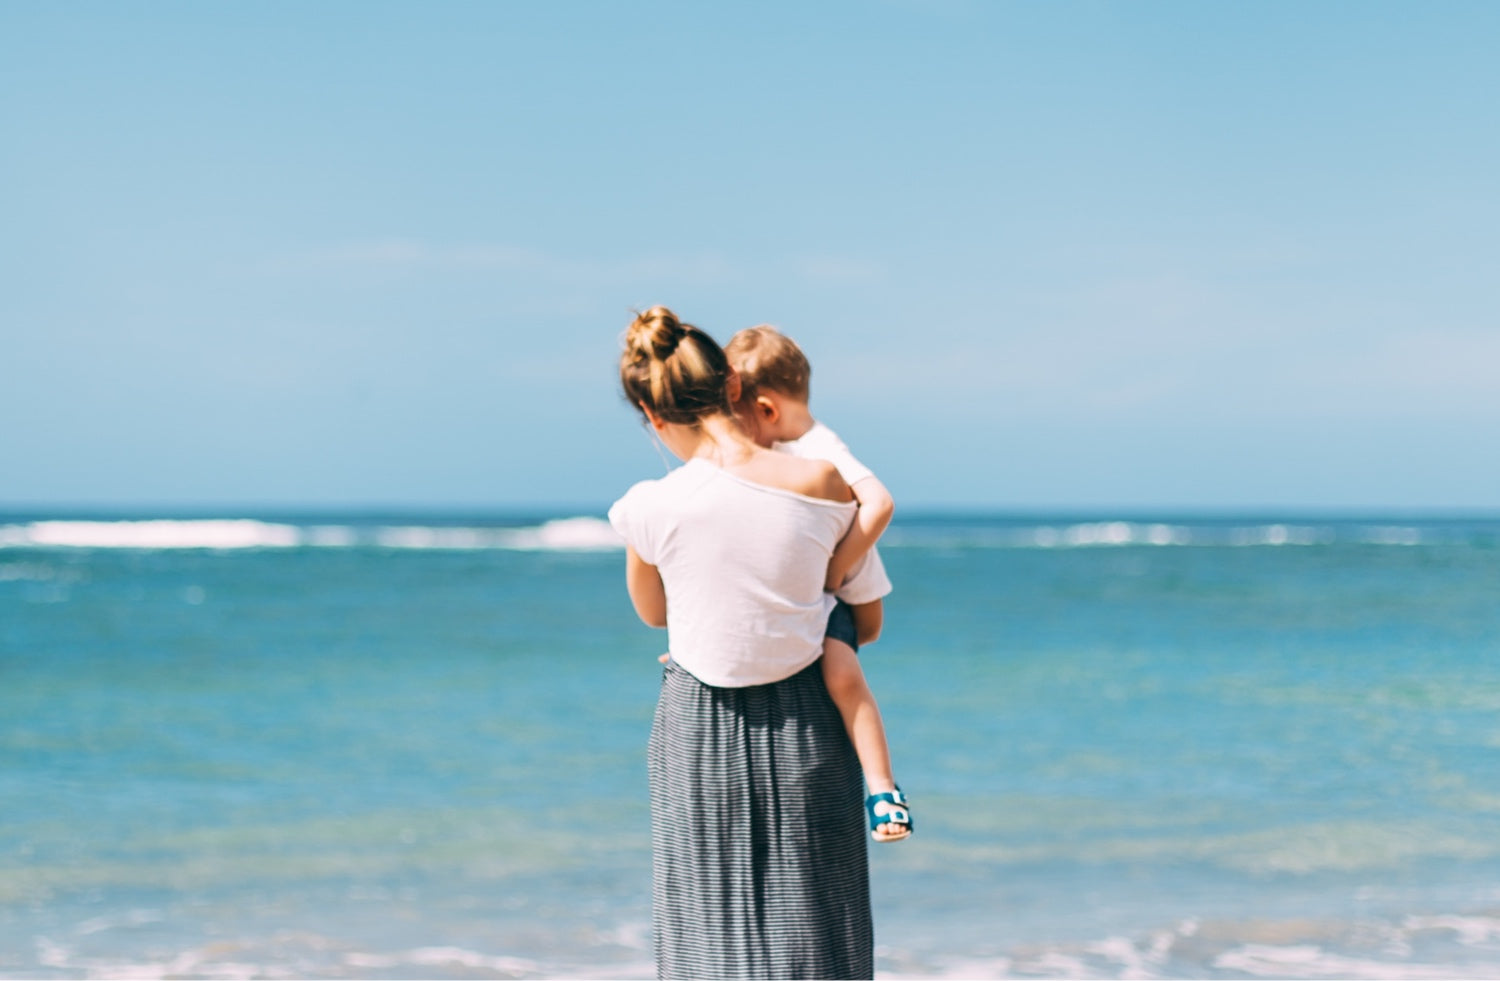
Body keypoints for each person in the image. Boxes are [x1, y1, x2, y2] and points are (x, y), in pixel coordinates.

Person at [609, 306, 885, 979]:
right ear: (733, 384)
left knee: (708, 927)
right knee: (819, 924)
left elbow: (654, 613)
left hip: (697, 727)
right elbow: (868, 621)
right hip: (808, 716)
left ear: (652, 414)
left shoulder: (649, 504)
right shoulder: (823, 483)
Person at [725, 324, 911, 842]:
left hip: (839, 586)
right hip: (809, 585)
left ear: (765, 409)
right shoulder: (782, 448)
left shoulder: (819, 446)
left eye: (736, 421)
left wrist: (837, 566)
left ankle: (882, 791)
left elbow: (880, 503)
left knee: (842, 674)